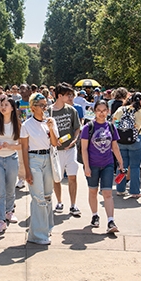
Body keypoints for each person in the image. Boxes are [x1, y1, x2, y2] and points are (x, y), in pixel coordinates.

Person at [20, 93, 59, 245]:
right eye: (42, 105)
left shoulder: (50, 121)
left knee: (48, 195)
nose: (45, 108)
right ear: (33, 107)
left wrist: (50, 128)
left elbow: (55, 143)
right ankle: (37, 235)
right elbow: (23, 148)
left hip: (48, 158)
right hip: (33, 159)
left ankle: (47, 227)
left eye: (46, 104)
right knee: (38, 197)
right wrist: (26, 171)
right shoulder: (26, 125)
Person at [81, 100, 124, 233]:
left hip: (108, 164)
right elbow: (84, 149)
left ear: (108, 111)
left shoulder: (111, 127)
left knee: (107, 193)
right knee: (93, 191)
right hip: (92, 164)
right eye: (99, 110)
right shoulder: (88, 127)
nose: (101, 113)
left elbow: (115, 147)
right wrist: (86, 166)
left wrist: (121, 163)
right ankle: (95, 215)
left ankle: (111, 221)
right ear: (94, 112)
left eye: (104, 110)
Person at [0, 97, 22, 233]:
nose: (3, 107)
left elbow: (22, 145)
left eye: (6, 105)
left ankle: (9, 212)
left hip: (12, 158)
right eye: (2, 104)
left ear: (12, 108)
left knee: (10, 189)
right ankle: (1, 220)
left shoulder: (18, 124)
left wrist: (11, 146)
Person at [112, 92, 141, 198]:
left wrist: (123, 129)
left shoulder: (121, 109)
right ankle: (134, 191)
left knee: (122, 165)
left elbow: (114, 123)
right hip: (137, 140)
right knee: (135, 167)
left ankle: (120, 189)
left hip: (121, 141)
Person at [50, 82, 82, 216]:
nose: (70, 97)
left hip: (70, 149)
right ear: (59, 95)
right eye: (68, 95)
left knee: (72, 177)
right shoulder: (49, 111)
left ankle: (73, 205)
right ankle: (59, 202)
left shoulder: (71, 110)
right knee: (56, 178)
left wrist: (75, 140)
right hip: (56, 152)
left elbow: (77, 128)